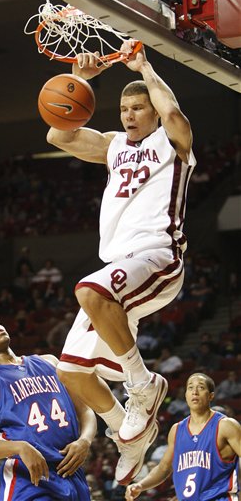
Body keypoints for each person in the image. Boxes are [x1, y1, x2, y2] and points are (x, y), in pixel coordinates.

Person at [46, 38, 196, 484]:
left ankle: (143, 384)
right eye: (124, 110)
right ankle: (126, 433)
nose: (129, 115)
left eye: (138, 108)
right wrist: (80, 78)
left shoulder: (174, 144)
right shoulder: (113, 145)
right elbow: (58, 133)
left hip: (157, 255)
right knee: (71, 372)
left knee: (90, 289)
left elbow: (173, 115)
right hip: (119, 266)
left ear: (152, 111)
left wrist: (146, 69)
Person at [0, 314, 96, 500]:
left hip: (71, 471)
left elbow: (85, 410)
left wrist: (85, 440)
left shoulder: (49, 362)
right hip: (29, 478)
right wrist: (19, 448)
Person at [125, 372, 241, 500]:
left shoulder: (226, 426)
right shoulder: (177, 430)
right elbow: (164, 468)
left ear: (211, 396)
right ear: (186, 395)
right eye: (190, 387)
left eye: (201, 387)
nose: (195, 392)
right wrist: (140, 485)